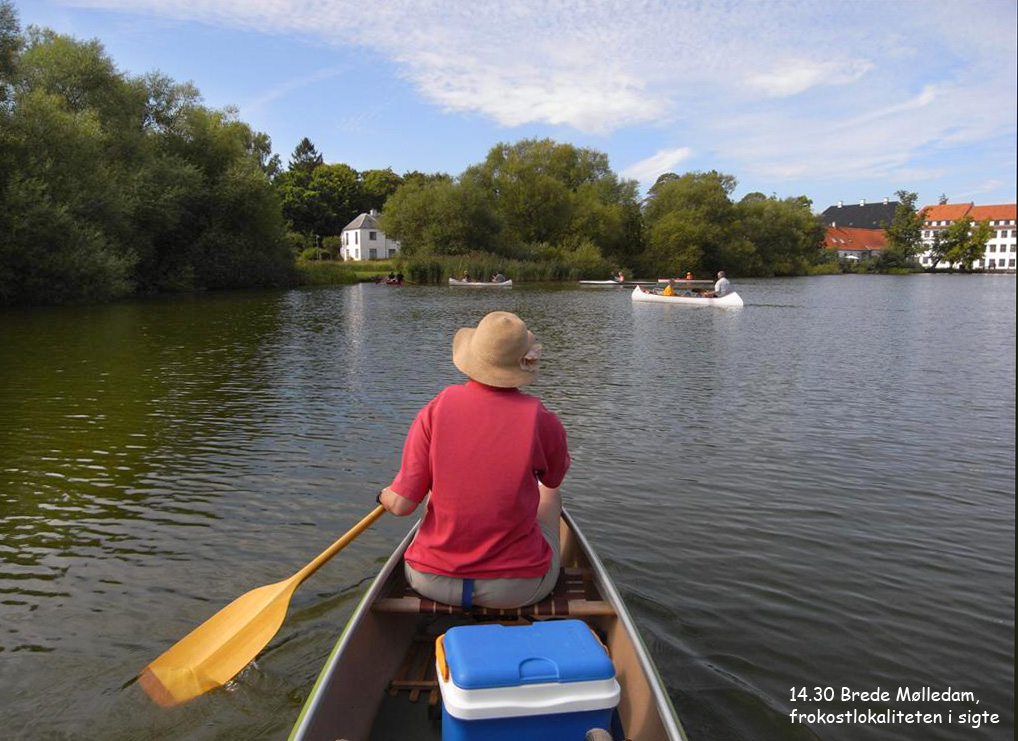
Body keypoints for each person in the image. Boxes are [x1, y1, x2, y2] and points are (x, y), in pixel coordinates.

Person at [377, 312, 570, 609]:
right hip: (517, 589)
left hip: (428, 581)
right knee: (550, 493)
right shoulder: (541, 418)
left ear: (472, 359)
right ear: (523, 362)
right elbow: (553, 479)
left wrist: (383, 496)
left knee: (432, 493)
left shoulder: (435, 409)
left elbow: (402, 505)